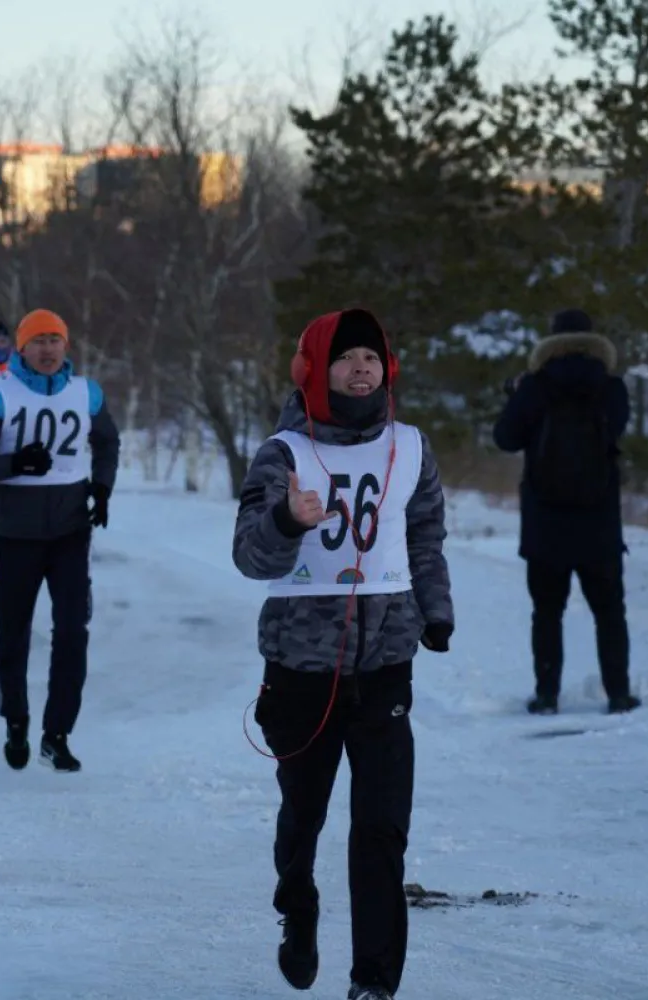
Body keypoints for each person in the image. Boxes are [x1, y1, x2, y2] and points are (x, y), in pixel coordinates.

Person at [232, 307, 453, 1000]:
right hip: (300, 669)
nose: (362, 366)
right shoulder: (284, 454)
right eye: (346, 356)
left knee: (382, 827)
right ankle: (297, 908)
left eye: (372, 356)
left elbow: (424, 539)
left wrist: (436, 611)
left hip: (385, 661)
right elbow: (248, 555)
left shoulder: (412, 447)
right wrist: (285, 519)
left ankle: (374, 983)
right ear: (314, 370)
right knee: (303, 817)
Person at [0, 308, 120, 772]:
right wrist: (11, 466)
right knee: (13, 636)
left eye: (55, 340)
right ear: (21, 348)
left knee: (71, 634)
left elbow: (108, 443)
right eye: (38, 341)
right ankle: (16, 720)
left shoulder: (86, 393)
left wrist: (102, 488)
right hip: (15, 535)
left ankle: (57, 734)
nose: (48, 349)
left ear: (67, 346)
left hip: (69, 533)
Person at [492, 308, 639, 715]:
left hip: (545, 524)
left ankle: (546, 696)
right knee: (610, 613)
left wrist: (516, 394)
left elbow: (505, 438)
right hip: (600, 523)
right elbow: (617, 431)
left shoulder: (536, 386)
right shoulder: (612, 388)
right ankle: (619, 694)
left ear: (550, 341)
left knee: (547, 613)